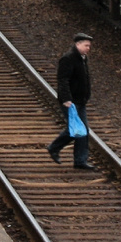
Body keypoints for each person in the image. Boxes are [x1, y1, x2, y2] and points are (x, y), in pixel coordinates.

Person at [46, 32, 94, 170]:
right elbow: (63, 80)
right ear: (77, 44)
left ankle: (79, 160)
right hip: (71, 102)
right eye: (86, 45)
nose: (88, 48)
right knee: (78, 129)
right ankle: (55, 148)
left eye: (89, 46)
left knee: (81, 130)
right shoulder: (68, 58)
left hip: (80, 100)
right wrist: (66, 99)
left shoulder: (82, 58)